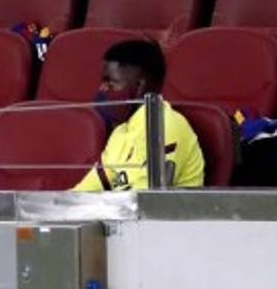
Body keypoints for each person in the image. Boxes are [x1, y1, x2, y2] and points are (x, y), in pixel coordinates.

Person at [73, 39, 204, 191]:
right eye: (103, 81)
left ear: (140, 87)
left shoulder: (164, 126)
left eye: (112, 82)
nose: (103, 89)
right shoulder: (121, 132)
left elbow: (145, 201)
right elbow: (88, 189)